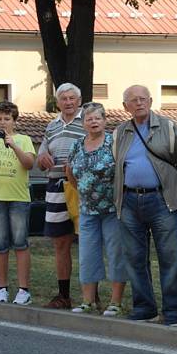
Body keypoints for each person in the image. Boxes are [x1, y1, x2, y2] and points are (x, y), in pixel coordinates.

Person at [115, 85, 177, 325]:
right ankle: (144, 307)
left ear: (150, 101)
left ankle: (173, 311)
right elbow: (118, 166)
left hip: (162, 200)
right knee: (135, 257)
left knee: (170, 257)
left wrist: (167, 184)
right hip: (129, 201)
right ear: (125, 106)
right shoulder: (120, 132)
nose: (139, 103)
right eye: (133, 100)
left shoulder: (168, 128)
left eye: (142, 99)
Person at [66, 102, 127, 316]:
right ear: (83, 123)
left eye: (97, 118)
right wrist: (84, 190)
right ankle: (87, 301)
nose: (93, 122)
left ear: (105, 120)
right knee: (87, 255)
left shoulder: (114, 142)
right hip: (87, 210)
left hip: (112, 209)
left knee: (115, 253)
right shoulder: (77, 145)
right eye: (88, 119)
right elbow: (70, 172)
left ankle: (115, 302)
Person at [36, 83, 87, 309]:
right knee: (60, 243)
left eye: (72, 98)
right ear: (58, 103)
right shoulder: (51, 126)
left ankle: (90, 295)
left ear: (79, 100)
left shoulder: (88, 120)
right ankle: (63, 295)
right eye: (64, 99)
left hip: (82, 187)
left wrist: (76, 164)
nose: (68, 102)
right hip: (55, 186)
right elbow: (41, 155)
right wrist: (43, 156)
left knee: (88, 240)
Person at [0, 100, 36, 305]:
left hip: (18, 198)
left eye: (6, 119)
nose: (2, 123)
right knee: (0, 245)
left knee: (20, 243)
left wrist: (13, 145)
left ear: (14, 121)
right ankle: (1, 288)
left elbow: (29, 164)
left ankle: (23, 290)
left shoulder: (24, 139)